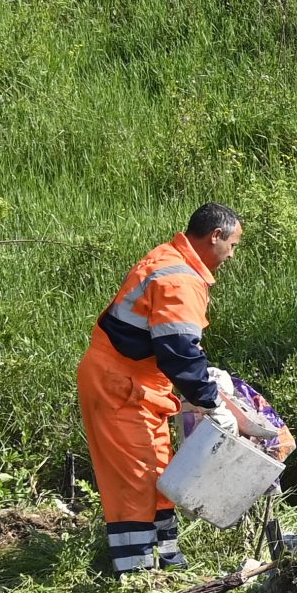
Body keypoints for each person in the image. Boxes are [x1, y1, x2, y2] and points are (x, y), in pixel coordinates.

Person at [76, 204, 243, 573]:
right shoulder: (179, 278)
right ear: (215, 236)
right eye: (232, 244)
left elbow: (175, 344)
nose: (232, 254)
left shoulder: (171, 261)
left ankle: (168, 564)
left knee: (159, 478)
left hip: (139, 384)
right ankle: (139, 576)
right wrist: (211, 403)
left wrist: (201, 385)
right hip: (120, 386)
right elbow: (179, 351)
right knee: (137, 482)